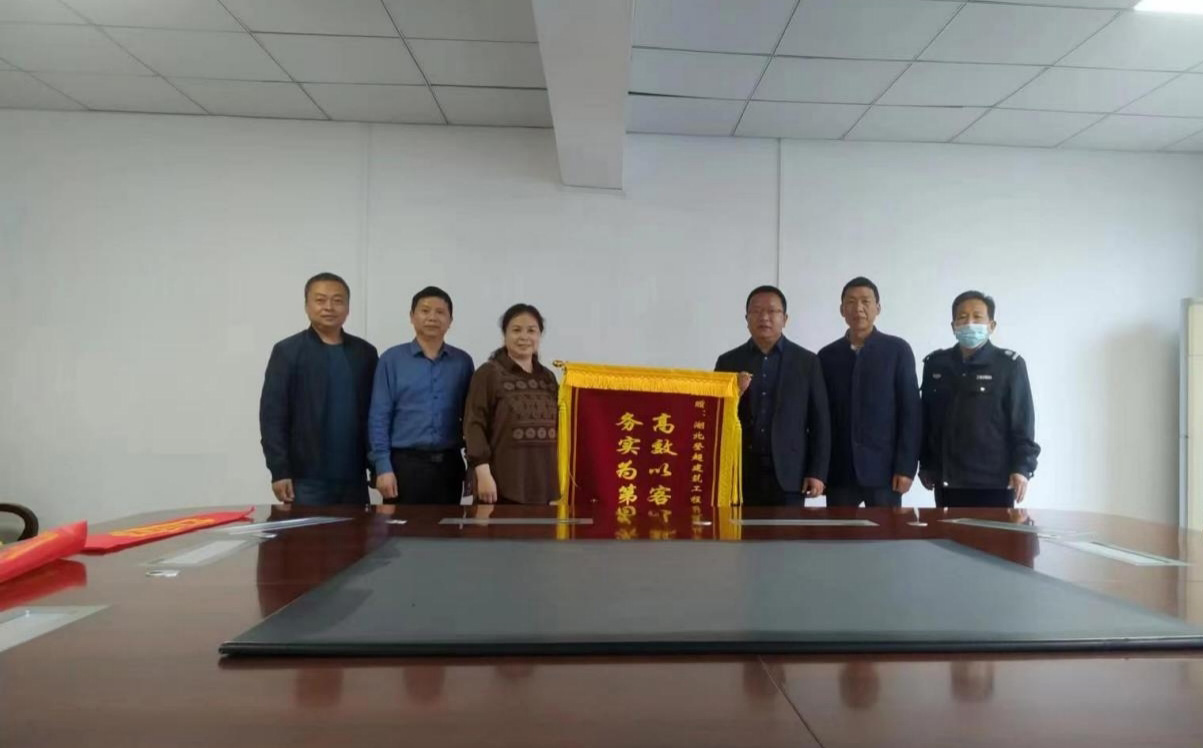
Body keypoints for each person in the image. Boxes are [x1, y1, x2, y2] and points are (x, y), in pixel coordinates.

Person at [259, 272, 379, 506]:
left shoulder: (365, 353)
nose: (329, 307)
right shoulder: (287, 351)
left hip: (354, 476)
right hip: (305, 479)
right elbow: (272, 416)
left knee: (357, 531)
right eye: (320, 300)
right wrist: (279, 470)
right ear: (307, 305)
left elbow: (375, 414)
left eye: (337, 300)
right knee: (309, 532)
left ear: (348, 307)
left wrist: (377, 466)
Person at [919, 291, 1040, 508]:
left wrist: (1022, 468)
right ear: (953, 326)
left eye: (977, 317)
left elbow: (1022, 423)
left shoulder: (1009, 365)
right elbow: (926, 420)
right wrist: (926, 464)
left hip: (994, 482)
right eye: (962, 317)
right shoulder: (936, 364)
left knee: (993, 532)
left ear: (991, 325)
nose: (969, 323)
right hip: (948, 481)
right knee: (946, 531)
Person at [715, 285, 830, 506]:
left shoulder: (807, 362)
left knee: (788, 530)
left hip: (791, 473)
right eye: (756, 311)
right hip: (740, 473)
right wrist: (734, 394)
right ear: (747, 319)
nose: (764, 317)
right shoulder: (728, 362)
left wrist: (817, 472)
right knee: (739, 529)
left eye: (772, 311)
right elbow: (716, 417)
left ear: (785, 319)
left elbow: (820, 422)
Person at [818, 277, 921, 508]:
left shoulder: (897, 350)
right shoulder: (827, 356)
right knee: (839, 531)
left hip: (885, 472)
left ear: (878, 308)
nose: (858, 308)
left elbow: (911, 413)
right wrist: (820, 471)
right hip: (840, 471)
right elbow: (821, 418)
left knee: (886, 531)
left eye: (866, 301)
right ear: (842, 310)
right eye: (851, 302)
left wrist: (906, 468)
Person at [368, 287, 474, 505]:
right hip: (405, 466)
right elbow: (379, 416)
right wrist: (383, 466)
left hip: (449, 465)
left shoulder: (463, 362)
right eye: (425, 311)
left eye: (440, 312)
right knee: (402, 527)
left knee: (447, 526)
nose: (432, 317)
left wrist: (473, 465)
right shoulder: (392, 360)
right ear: (412, 316)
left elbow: (471, 418)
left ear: (450, 320)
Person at [463, 304, 559, 505]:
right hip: (499, 485)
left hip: (543, 485)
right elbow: (473, 425)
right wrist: (483, 473)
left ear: (539, 335)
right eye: (516, 330)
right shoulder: (488, 374)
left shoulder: (548, 378)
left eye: (531, 331)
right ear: (504, 335)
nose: (524, 337)